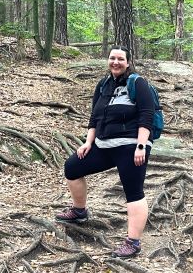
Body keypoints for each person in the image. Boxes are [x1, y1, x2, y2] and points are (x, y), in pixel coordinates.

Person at [55, 46, 155, 258]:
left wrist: (141, 146)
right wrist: (88, 142)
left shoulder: (138, 83)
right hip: (103, 145)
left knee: (133, 191)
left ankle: (133, 242)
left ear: (128, 62)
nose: (116, 62)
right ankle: (79, 211)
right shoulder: (103, 85)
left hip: (130, 146)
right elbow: (95, 117)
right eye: (112, 58)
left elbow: (147, 115)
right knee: (72, 167)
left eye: (120, 59)